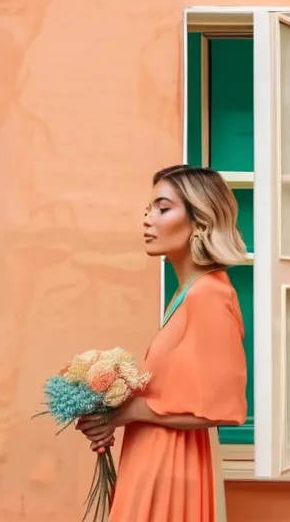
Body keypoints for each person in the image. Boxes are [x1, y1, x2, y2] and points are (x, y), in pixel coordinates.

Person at [75, 164, 249, 522]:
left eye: (162, 208)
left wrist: (132, 412)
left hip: (172, 466)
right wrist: (110, 414)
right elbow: (174, 394)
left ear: (200, 220)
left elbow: (222, 408)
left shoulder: (209, 295)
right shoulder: (186, 295)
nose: (147, 219)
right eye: (148, 209)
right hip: (153, 458)